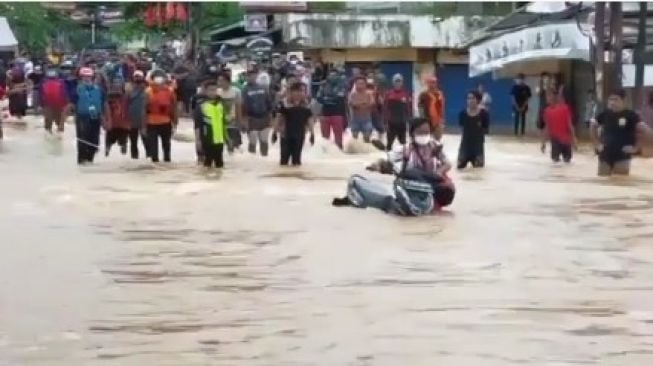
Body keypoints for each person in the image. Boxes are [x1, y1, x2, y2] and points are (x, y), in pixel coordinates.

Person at [332, 117, 455, 215]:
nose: (424, 135)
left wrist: (439, 171)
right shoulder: (405, 149)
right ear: (412, 133)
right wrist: (376, 165)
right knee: (392, 208)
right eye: (421, 132)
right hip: (411, 190)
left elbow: (447, 163)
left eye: (427, 132)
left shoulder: (434, 146)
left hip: (430, 188)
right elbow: (386, 158)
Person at [590, 89, 652, 176]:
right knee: (602, 180)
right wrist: (596, 144)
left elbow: (643, 131)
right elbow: (593, 126)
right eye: (610, 99)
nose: (612, 102)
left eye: (616, 99)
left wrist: (636, 148)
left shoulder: (631, 115)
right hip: (605, 154)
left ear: (623, 101)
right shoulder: (604, 114)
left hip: (622, 156)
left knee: (620, 181)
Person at [273, 82, 315, 166]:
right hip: (286, 136)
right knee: (284, 161)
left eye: (302, 91)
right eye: (298, 91)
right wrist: (274, 133)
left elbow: (309, 119)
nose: (300, 93)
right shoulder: (284, 104)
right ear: (291, 92)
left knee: (297, 161)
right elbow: (278, 118)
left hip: (299, 135)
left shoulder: (306, 105)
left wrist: (312, 134)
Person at [74, 67, 107, 165]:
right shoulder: (77, 89)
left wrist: (105, 119)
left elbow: (104, 104)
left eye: (89, 77)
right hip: (82, 118)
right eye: (84, 77)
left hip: (95, 118)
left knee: (94, 142)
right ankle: (82, 162)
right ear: (80, 78)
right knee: (82, 141)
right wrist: (62, 121)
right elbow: (71, 104)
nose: (86, 79)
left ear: (92, 77)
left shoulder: (99, 90)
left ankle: (90, 161)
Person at [145, 73, 178, 163]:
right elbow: (174, 108)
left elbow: (143, 109)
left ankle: (156, 166)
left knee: (154, 148)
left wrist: (142, 124)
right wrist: (175, 122)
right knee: (166, 147)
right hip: (165, 122)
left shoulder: (148, 91)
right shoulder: (170, 91)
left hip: (152, 122)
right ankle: (166, 164)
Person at [241, 69, 273, 156]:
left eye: (254, 75)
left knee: (264, 140)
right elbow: (242, 106)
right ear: (246, 77)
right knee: (253, 140)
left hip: (264, 117)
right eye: (249, 76)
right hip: (251, 118)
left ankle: (264, 157)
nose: (252, 77)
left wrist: (270, 118)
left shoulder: (263, 88)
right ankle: (252, 160)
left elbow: (269, 103)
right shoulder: (244, 90)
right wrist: (244, 121)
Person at [196, 81, 228, 169]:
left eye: (214, 90)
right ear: (205, 91)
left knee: (220, 163)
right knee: (208, 163)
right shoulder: (201, 106)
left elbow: (224, 123)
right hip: (207, 139)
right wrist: (198, 140)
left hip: (219, 139)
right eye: (210, 90)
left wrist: (227, 138)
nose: (212, 92)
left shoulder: (220, 105)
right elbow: (197, 125)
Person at [541, 91, 576, 164]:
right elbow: (547, 128)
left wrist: (574, 139)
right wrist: (543, 143)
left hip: (563, 140)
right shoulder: (547, 111)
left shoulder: (564, 109)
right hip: (558, 140)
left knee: (559, 162)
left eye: (548, 96)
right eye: (547, 96)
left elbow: (570, 125)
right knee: (562, 162)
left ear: (554, 97)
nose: (547, 98)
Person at [458, 91, 490, 169]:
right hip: (465, 148)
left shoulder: (483, 114)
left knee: (478, 172)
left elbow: (486, 129)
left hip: (478, 149)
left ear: (478, 100)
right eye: (468, 98)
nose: (470, 100)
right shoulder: (462, 114)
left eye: (473, 98)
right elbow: (461, 127)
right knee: (460, 169)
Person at [316, 69, 346, 150]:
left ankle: (339, 152)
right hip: (324, 113)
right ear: (328, 76)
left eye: (334, 75)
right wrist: (331, 99)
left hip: (337, 113)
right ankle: (325, 153)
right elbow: (318, 97)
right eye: (331, 75)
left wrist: (326, 99)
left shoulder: (341, 85)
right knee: (325, 138)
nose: (332, 77)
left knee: (338, 137)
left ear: (337, 76)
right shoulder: (323, 84)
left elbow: (340, 97)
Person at [104, 67, 129, 157]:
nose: (117, 86)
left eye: (119, 84)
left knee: (123, 143)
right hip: (112, 124)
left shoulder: (126, 96)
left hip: (124, 124)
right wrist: (106, 121)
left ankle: (124, 146)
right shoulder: (109, 97)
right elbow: (105, 110)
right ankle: (107, 149)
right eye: (115, 83)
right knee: (109, 142)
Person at [125, 70, 149, 159]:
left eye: (139, 76)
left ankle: (149, 158)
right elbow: (126, 104)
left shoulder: (147, 89)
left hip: (144, 120)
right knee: (133, 142)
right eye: (136, 76)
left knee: (146, 141)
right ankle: (134, 159)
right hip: (132, 120)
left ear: (143, 77)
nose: (137, 78)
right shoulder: (129, 89)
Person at [217, 73, 242, 153]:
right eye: (219, 80)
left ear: (227, 81)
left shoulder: (236, 91)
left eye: (221, 81)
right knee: (220, 144)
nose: (219, 83)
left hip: (232, 122)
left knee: (232, 145)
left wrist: (239, 122)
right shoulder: (217, 92)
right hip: (220, 122)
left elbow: (238, 107)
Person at [40, 69, 69, 136]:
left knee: (48, 123)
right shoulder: (61, 82)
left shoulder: (44, 82)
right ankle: (59, 136)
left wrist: (41, 105)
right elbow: (64, 93)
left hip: (49, 105)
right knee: (58, 123)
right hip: (57, 104)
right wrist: (65, 104)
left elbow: (41, 95)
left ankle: (49, 134)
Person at [418, 76, 445, 140]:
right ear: (427, 84)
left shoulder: (439, 94)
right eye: (430, 82)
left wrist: (442, 119)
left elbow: (442, 107)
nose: (432, 84)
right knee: (427, 139)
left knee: (437, 140)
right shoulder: (423, 94)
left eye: (434, 82)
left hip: (437, 121)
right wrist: (422, 120)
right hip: (427, 120)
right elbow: (420, 107)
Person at [349, 77, 375, 142]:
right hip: (355, 119)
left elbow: (372, 103)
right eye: (358, 83)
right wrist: (364, 103)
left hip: (366, 119)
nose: (360, 85)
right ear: (356, 84)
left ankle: (366, 148)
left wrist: (359, 104)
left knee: (367, 136)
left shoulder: (369, 93)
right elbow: (352, 104)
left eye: (362, 83)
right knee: (354, 138)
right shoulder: (353, 94)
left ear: (365, 84)